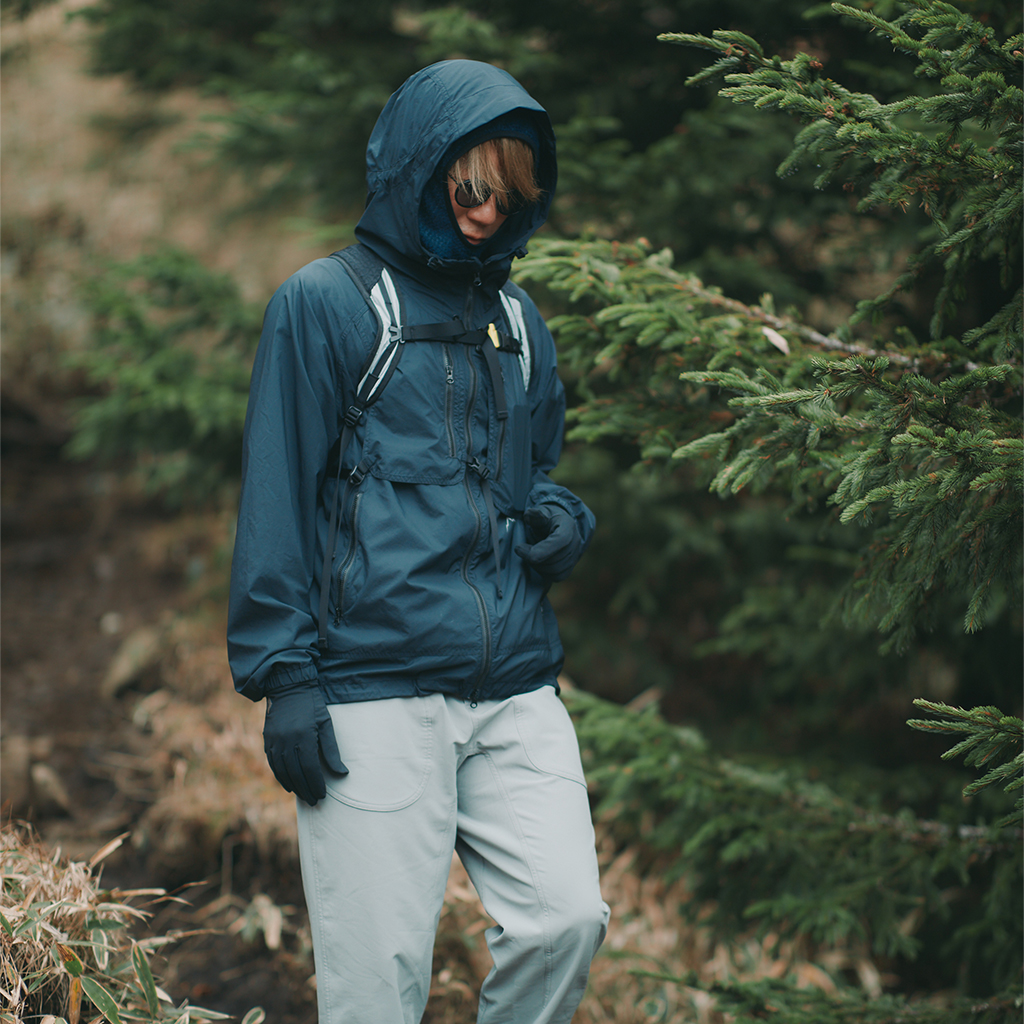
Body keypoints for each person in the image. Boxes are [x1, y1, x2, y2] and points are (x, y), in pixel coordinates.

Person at [227, 58, 609, 1024]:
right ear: (418, 170)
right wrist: (285, 678)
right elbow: (277, 494)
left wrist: (560, 520)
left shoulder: (517, 322)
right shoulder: (326, 304)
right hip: (372, 689)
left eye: (508, 195)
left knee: (566, 920)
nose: (486, 214)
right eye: (468, 187)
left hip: (513, 683)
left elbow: (531, 473)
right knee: (377, 989)